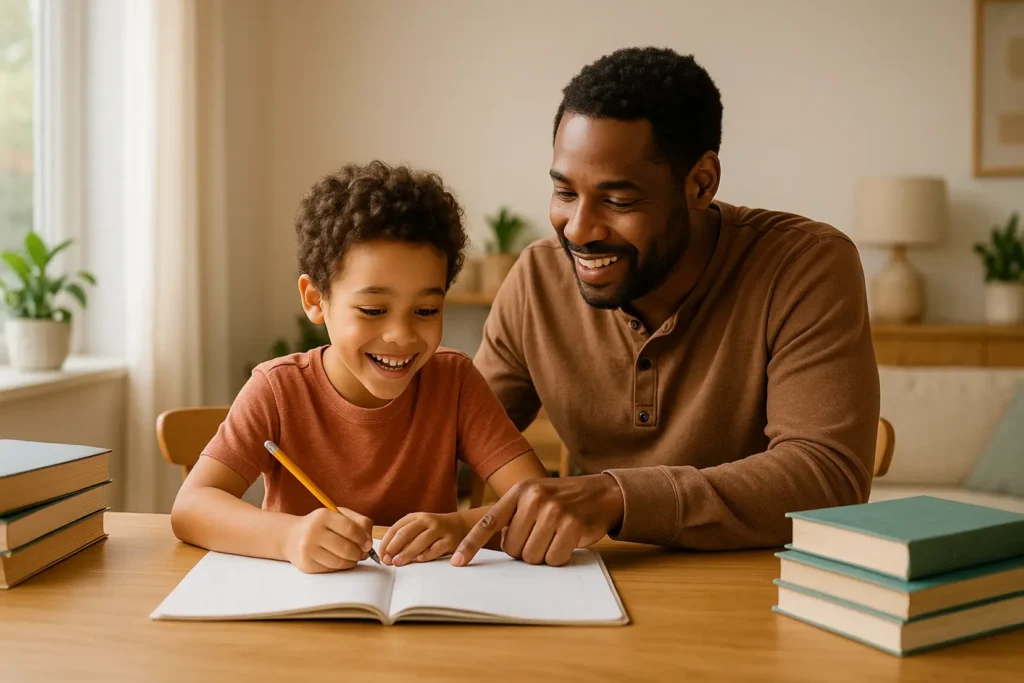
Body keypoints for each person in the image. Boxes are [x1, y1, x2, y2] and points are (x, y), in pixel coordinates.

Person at [450, 47, 880, 569]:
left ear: (701, 183)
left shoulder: (804, 265)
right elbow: (453, 439)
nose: (580, 230)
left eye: (618, 201)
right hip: (589, 579)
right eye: (564, 192)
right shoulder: (538, 277)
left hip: (758, 593)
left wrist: (615, 497)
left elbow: (827, 477)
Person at [171, 161, 548, 573]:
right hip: (300, 615)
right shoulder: (276, 390)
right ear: (315, 300)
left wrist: (460, 526)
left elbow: (538, 499)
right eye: (373, 309)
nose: (402, 336)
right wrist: (290, 537)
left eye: (426, 309)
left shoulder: (453, 381)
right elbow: (191, 507)